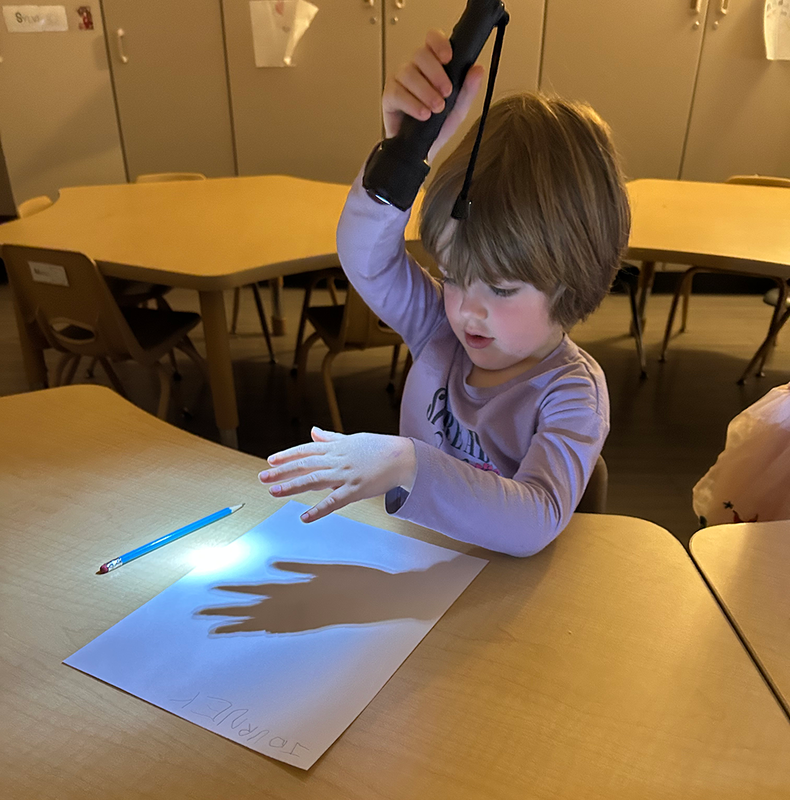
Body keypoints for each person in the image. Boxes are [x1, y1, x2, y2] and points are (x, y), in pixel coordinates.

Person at [258, 29, 631, 556]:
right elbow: (368, 260)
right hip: (420, 564)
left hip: (501, 599)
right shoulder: (442, 329)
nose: (466, 309)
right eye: (452, 275)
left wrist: (408, 462)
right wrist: (405, 155)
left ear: (574, 277)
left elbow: (535, 516)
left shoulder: (572, 394)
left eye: (501, 287)